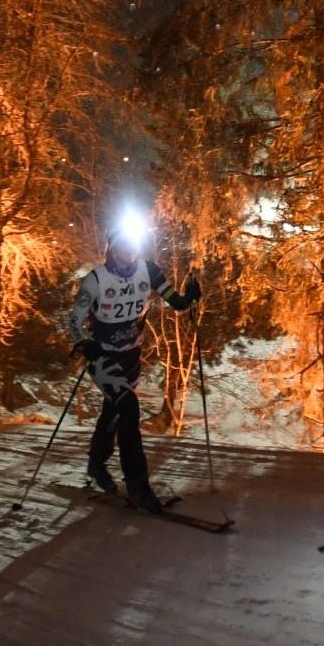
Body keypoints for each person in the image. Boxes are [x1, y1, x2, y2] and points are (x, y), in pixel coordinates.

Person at [65, 214, 200, 513]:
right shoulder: (96, 279)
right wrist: (84, 344)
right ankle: (138, 485)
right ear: (112, 247)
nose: (129, 251)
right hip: (102, 358)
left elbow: (173, 301)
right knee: (128, 408)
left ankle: (96, 464)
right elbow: (73, 320)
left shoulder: (149, 270)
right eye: (123, 245)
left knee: (114, 410)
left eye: (133, 245)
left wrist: (188, 298)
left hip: (130, 356)